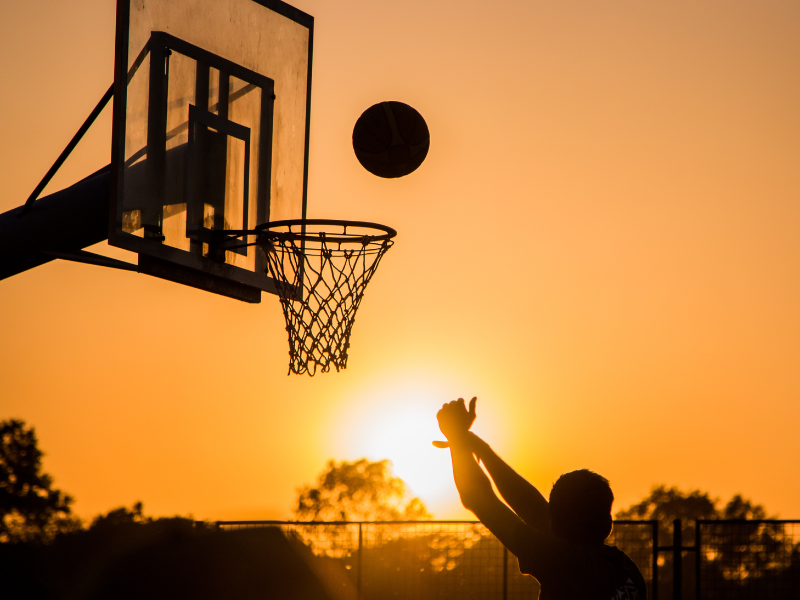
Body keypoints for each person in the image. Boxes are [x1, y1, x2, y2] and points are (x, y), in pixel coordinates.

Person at [434, 397, 647, 600]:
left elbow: (477, 498)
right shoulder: (624, 569)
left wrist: (456, 435)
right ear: (608, 523)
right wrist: (476, 445)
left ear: (556, 523)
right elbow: (533, 509)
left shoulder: (565, 564)